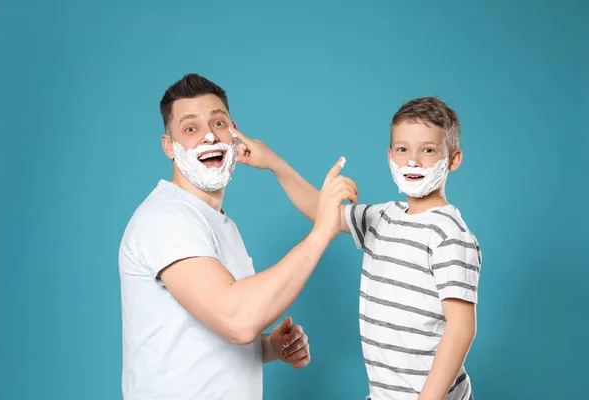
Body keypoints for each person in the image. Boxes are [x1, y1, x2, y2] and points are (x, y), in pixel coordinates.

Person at [117, 73, 358, 400]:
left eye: (218, 124)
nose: (208, 138)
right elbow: (237, 319)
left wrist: (269, 347)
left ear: (234, 133)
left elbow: (211, 329)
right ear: (168, 147)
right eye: (191, 128)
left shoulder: (217, 223)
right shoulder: (167, 218)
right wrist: (322, 232)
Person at [236, 96, 481, 400]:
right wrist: (273, 163)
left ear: (454, 159)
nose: (413, 161)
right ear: (389, 155)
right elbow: (321, 212)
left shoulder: (450, 234)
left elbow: (461, 329)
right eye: (403, 150)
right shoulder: (382, 217)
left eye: (428, 150)